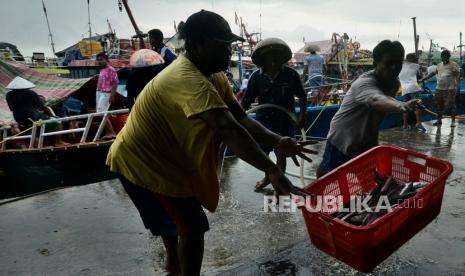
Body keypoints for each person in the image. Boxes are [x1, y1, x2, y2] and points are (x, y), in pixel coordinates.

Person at [106, 10, 316, 276]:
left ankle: (174, 267)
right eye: (222, 45)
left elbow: (240, 118)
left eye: (231, 45)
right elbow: (227, 129)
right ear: (197, 45)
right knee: (192, 225)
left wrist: (278, 141)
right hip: (142, 161)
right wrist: (272, 169)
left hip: (169, 158)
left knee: (175, 222)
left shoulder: (213, 74)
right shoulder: (187, 78)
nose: (229, 52)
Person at [317, 40, 420, 178]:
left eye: (398, 63)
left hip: (366, 141)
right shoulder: (364, 83)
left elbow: (377, 111)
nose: (394, 68)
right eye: (389, 64)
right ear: (375, 64)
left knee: (365, 182)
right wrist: (400, 105)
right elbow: (375, 99)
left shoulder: (394, 83)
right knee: (328, 177)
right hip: (343, 140)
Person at [241, 37, 307, 191]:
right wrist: (237, 120)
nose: (273, 59)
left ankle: (280, 183)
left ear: (282, 58)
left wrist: (302, 117)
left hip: (285, 121)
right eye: (269, 56)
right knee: (264, 154)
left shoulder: (291, 75)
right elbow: (246, 101)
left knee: (281, 153)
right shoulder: (256, 77)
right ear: (262, 59)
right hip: (264, 122)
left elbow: (302, 96)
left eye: (277, 55)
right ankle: (267, 177)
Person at [5, 76, 68, 146]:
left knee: (33, 133)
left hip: (20, 120)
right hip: (34, 117)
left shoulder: (8, 95)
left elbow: (11, 109)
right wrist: (53, 116)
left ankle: (38, 145)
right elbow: (43, 107)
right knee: (58, 121)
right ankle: (58, 142)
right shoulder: (30, 93)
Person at [420, 50, 461, 127]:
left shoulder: (454, 65)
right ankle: (439, 120)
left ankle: (453, 121)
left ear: (449, 57)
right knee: (439, 105)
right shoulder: (439, 65)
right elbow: (433, 73)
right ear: (441, 57)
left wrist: (457, 88)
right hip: (439, 88)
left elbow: (457, 77)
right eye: (442, 56)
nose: (444, 57)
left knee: (451, 105)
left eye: (446, 56)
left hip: (450, 89)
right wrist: (423, 79)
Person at [399, 53, 426, 131]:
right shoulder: (416, 66)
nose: (416, 60)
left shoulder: (400, 67)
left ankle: (405, 125)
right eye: (415, 59)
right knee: (417, 107)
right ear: (413, 60)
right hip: (414, 88)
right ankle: (419, 123)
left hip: (404, 90)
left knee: (405, 107)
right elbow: (423, 71)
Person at [96, 52, 117, 139]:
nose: (99, 62)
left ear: (107, 60)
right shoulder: (102, 70)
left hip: (106, 93)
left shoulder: (111, 69)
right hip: (99, 92)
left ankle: (111, 132)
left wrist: (112, 95)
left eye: (101, 60)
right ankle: (108, 132)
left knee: (102, 112)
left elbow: (115, 82)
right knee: (101, 113)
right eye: (98, 60)